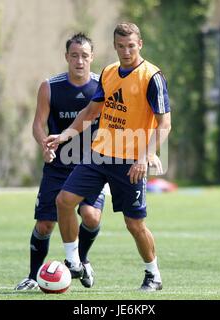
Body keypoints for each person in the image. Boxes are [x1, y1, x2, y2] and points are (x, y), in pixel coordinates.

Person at [45, 22, 171, 291]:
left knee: (134, 224)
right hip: (100, 154)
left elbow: (164, 124)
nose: (126, 51)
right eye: (121, 46)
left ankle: (153, 275)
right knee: (64, 201)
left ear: (140, 45)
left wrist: (145, 156)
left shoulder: (152, 77)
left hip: (130, 162)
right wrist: (64, 135)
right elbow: (91, 112)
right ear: (115, 46)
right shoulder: (109, 72)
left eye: (131, 46)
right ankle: (74, 262)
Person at [15, 33, 105, 290]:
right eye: (74, 56)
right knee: (45, 224)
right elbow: (37, 125)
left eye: (84, 56)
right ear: (66, 57)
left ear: (92, 58)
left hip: (92, 166)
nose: (79, 61)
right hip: (58, 166)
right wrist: (45, 145)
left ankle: (80, 262)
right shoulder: (50, 87)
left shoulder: (102, 86)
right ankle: (33, 277)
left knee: (91, 216)